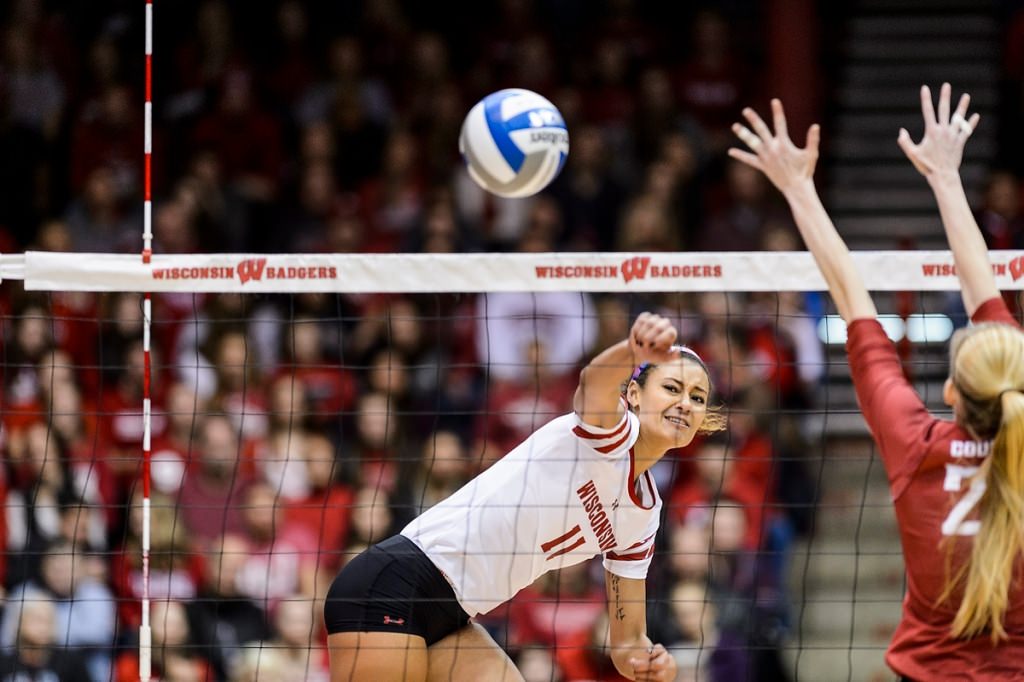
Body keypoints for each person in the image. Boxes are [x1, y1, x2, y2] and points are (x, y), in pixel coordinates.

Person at [729, 84, 1024, 679]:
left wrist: (797, 189)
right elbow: (985, 296)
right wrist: (947, 176)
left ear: (949, 394)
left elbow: (852, 299)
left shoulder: (916, 447)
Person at [324, 313, 726, 681]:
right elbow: (593, 382)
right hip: (396, 583)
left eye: (697, 397)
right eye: (672, 388)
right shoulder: (609, 435)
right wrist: (632, 350)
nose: (684, 403)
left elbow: (627, 643)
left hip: (454, 614)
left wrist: (652, 661)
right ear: (634, 395)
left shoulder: (644, 515)